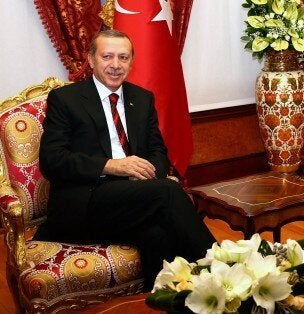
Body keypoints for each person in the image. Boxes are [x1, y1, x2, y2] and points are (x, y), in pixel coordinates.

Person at [34, 29, 216, 289]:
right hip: (85, 201)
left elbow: (158, 152)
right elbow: (52, 160)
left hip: (135, 196)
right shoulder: (66, 99)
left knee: (158, 233)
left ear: (132, 61)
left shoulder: (141, 98)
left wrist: (144, 172)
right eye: (107, 56)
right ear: (91, 59)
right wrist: (113, 166)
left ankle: (162, 300)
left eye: (123, 57)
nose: (116, 65)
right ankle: (224, 270)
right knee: (168, 191)